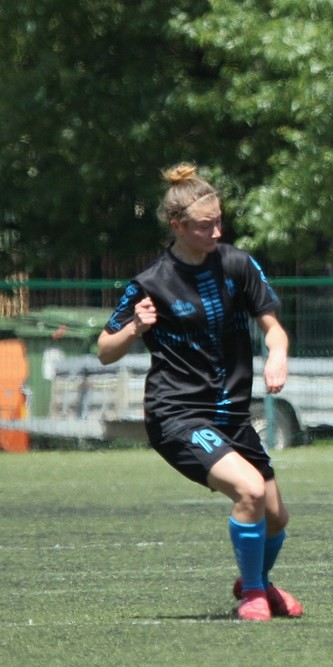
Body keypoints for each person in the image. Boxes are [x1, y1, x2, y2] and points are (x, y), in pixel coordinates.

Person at [97, 163, 302, 622]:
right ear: (177, 226)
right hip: (178, 416)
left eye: (219, 221)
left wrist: (277, 354)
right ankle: (253, 595)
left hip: (232, 416)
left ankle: (256, 581)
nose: (216, 232)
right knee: (249, 490)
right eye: (205, 225)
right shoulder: (151, 284)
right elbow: (105, 350)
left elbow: (274, 328)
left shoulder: (237, 264)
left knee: (276, 517)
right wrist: (134, 328)